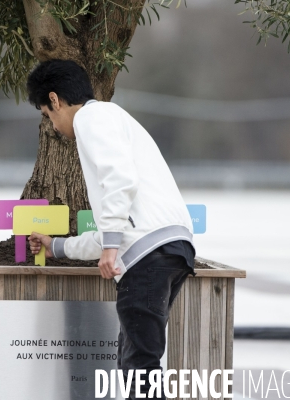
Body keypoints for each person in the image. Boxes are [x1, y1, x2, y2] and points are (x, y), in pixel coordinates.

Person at [26, 59, 196, 399]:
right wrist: (55, 247)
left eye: (48, 115)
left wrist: (111, 246)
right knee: (134, 357)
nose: (54, 126)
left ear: (56, 100)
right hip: (170, 247)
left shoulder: (92, 117)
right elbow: (111, 228)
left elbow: (120, 182)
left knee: (139, 365)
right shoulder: (114, 119)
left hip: (146, 256)